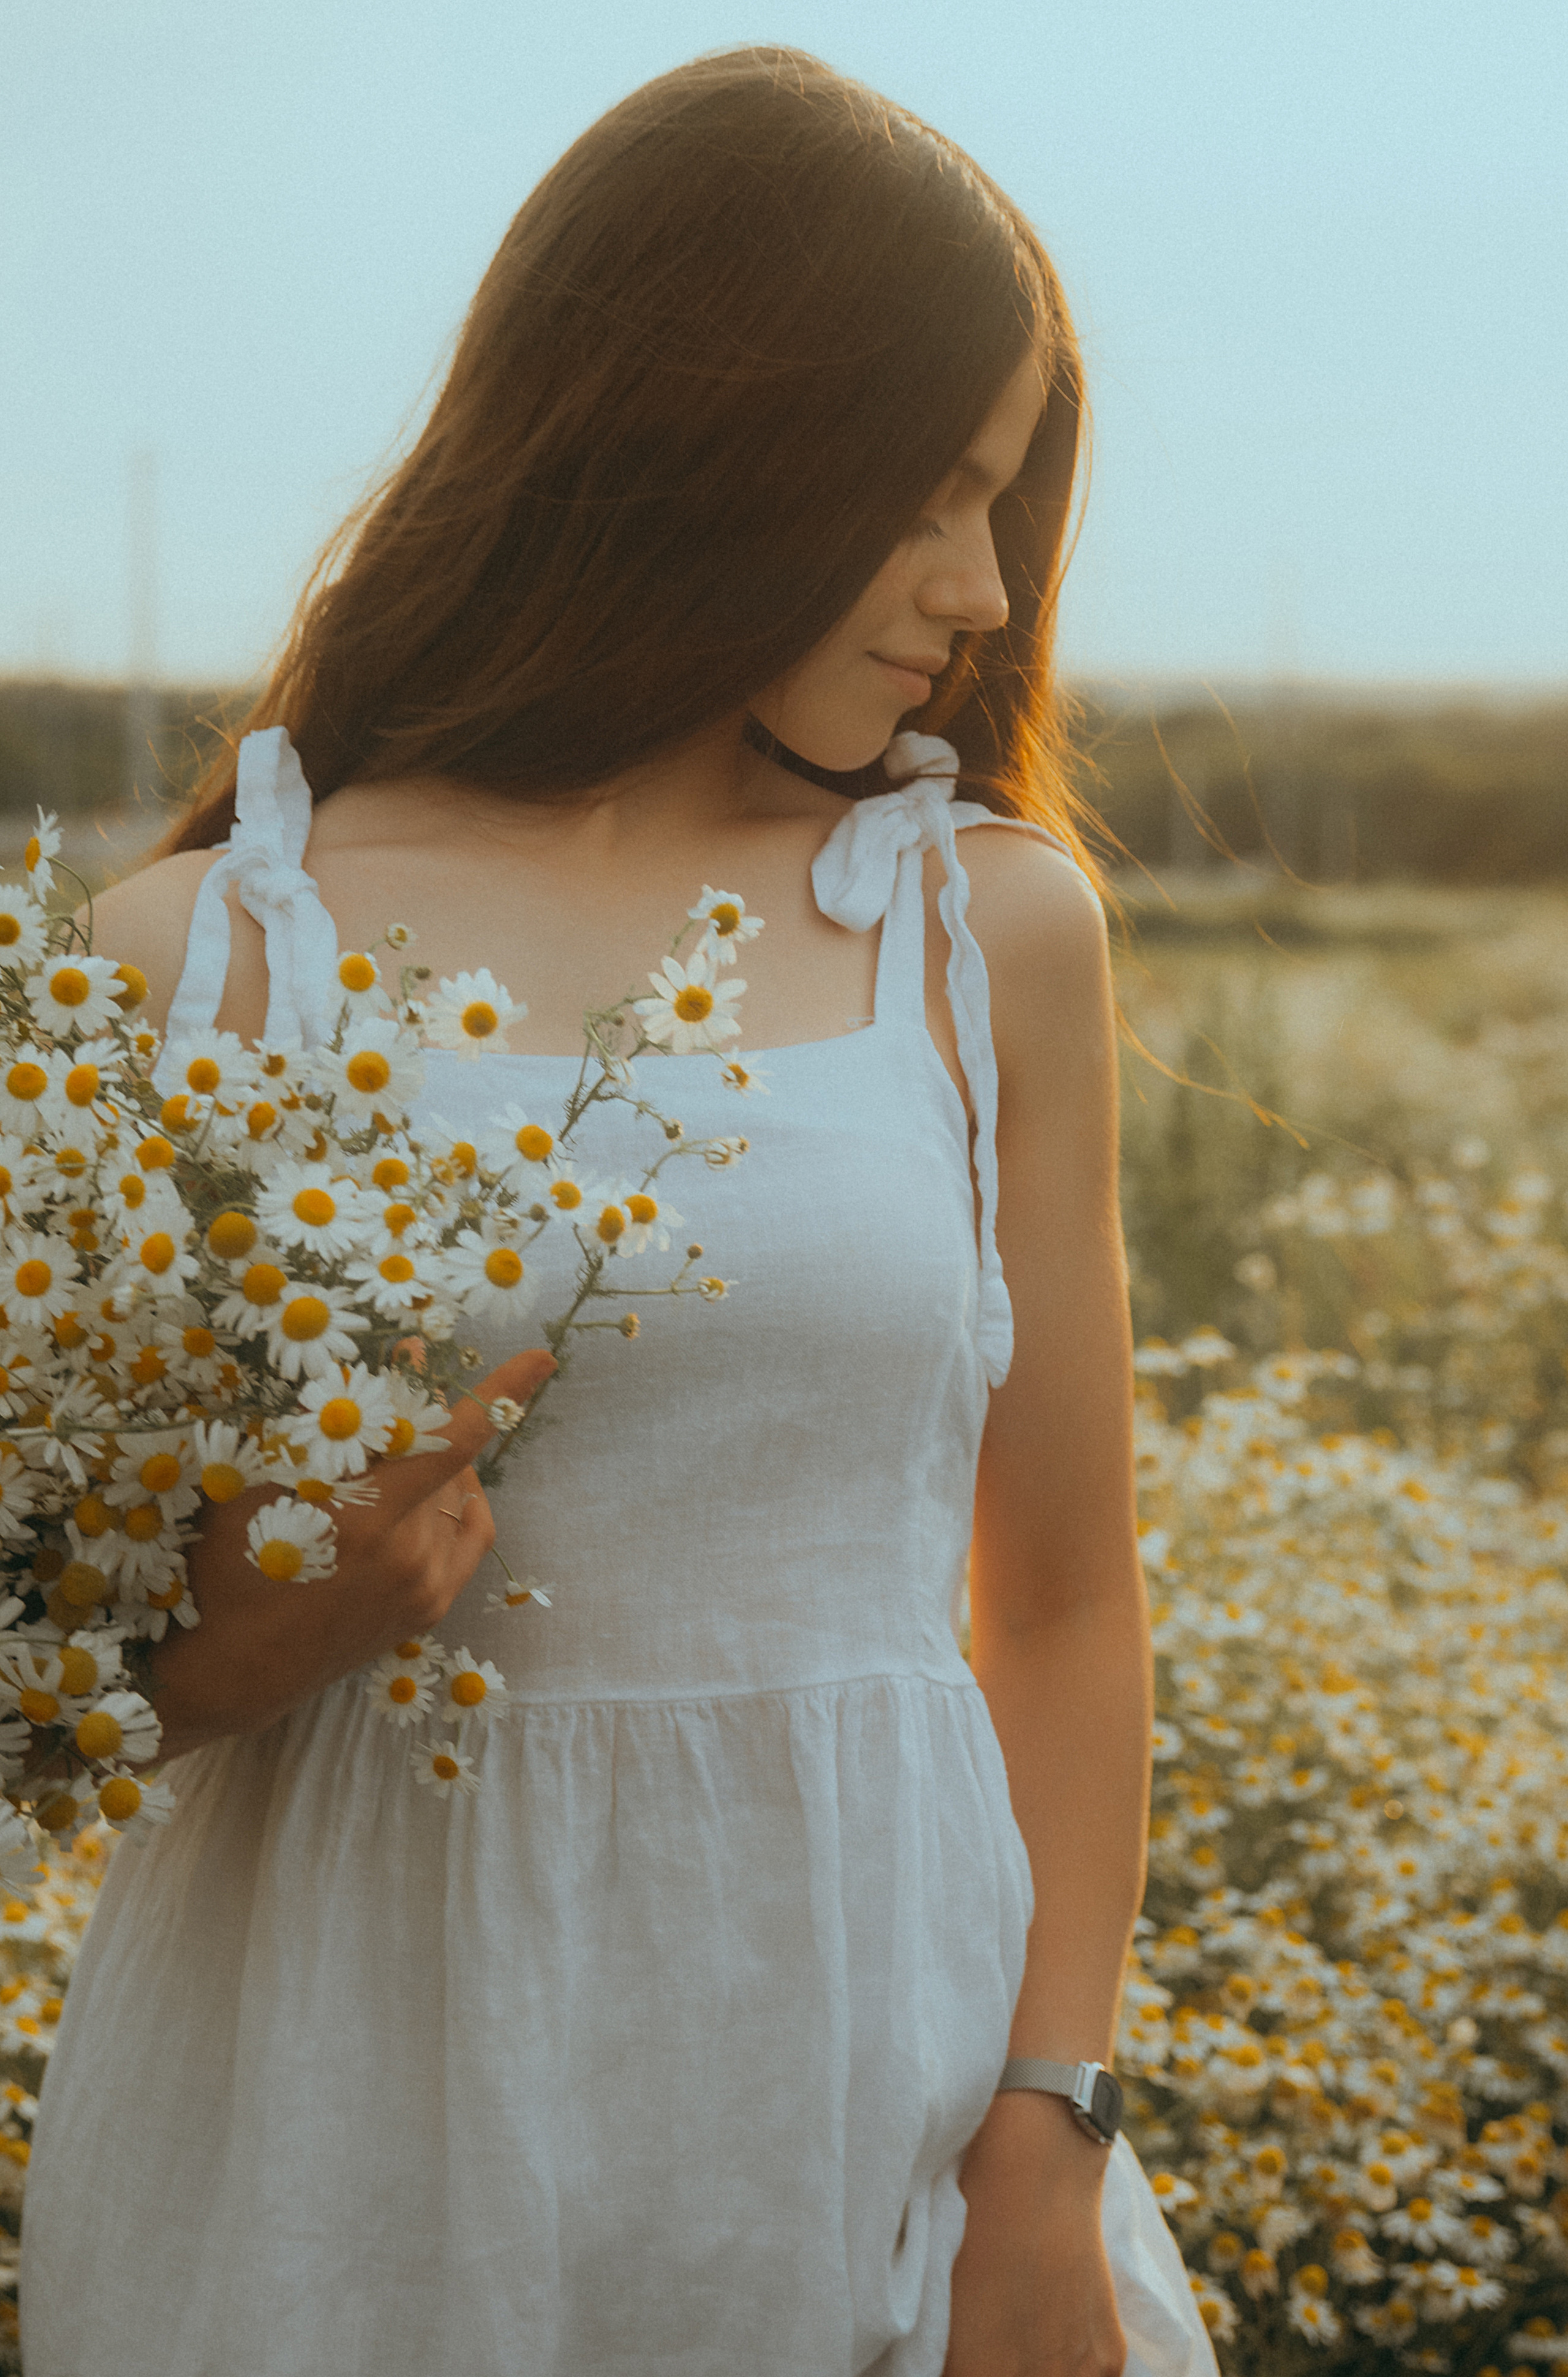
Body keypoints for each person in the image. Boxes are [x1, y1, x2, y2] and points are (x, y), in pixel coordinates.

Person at [21, 47, 1217, 2377]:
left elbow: (1065, 1605)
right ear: (711, 433)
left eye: (1006, 507)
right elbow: (44, 1664)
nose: (981, 592)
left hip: (880, 2102)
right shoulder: (208, 963)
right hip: (326, 2140)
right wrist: (249, 1647)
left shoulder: (983, 935)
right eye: (930, 495)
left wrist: (1046, 2150)